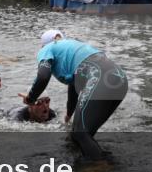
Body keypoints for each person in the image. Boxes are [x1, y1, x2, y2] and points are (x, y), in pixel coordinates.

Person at [22, 30, 128, 161]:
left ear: (44, 45)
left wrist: (31, 98)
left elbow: (43, 76)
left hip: (99, 77)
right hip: (119, 79)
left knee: (79, 133)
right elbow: (74, 86)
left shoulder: (48, 48)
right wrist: (68, 115)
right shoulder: (73, 49)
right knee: (82, 135)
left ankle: (100, 169)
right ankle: (90, 162)